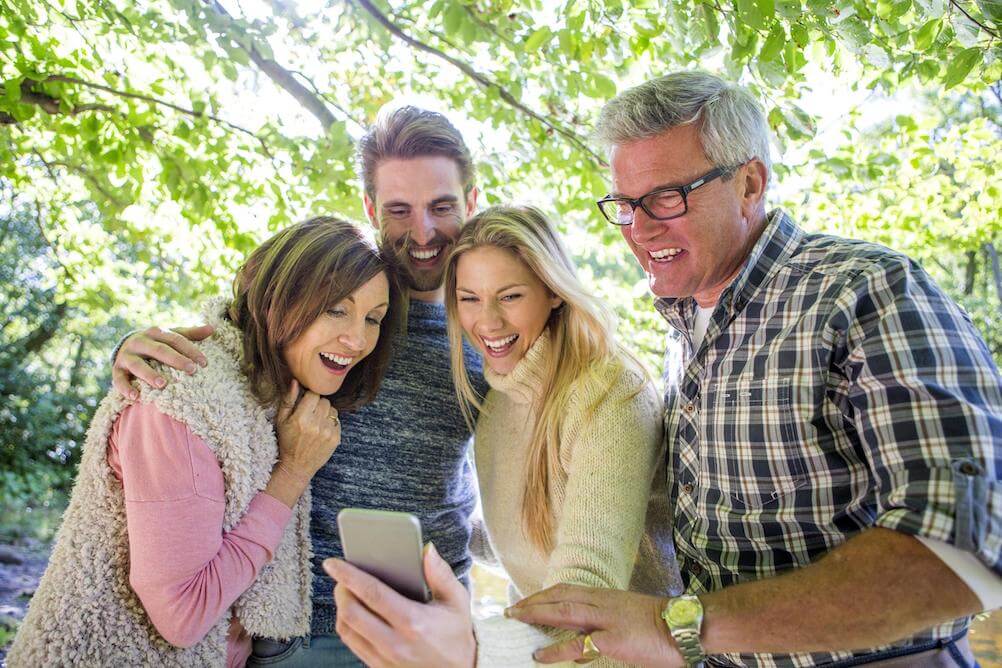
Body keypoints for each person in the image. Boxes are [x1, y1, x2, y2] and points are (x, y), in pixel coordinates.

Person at [507, 71, 1001, 667]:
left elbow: (968, 551)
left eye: (667, 196)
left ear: (750, 182)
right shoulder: (683, 325)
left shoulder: (865, 292)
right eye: (626, 204)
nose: (639, 227)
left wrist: (678, 627)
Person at [105, 106, 489, 666]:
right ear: (370, 209)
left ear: (472, 202)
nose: (423, 231)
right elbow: (239, 341)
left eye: (442, 206)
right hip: (303, 628)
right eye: (399, 210)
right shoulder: (330, 294)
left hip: (434, 619)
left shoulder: (494, 327)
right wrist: (129, 349)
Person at [7, 217, 404, 667]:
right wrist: (291, 474)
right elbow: (183, 615)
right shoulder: (184, 399)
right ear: (277, 297)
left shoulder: (276, 393)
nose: (356, 339)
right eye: (335, 308)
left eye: (374, 318)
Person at [324, 204, 680, 667]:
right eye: (469, 298)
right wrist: (425, 530)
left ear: (553, 292)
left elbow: (587, 591)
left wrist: (471, 650)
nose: (487, 322)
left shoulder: (609, 395)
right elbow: (521, 537)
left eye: (509, 296)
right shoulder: (499, 402)